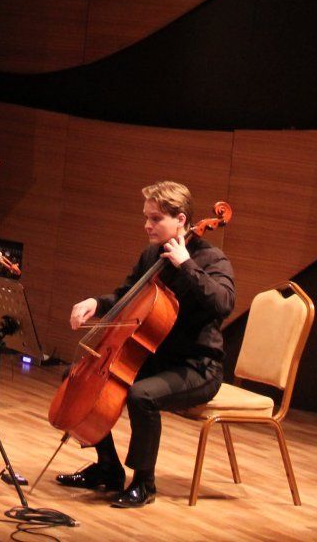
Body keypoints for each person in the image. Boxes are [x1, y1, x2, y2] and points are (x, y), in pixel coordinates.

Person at [54, 181, 235, 508]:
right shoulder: (152, 255)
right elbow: (126, 299)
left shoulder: (211, 259)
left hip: (197, 368)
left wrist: (186, 265)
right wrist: (96, 303)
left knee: (142, 396)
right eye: (146, 217)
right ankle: (108, 468)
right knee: (77, 373)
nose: (147, 225)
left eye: (155, 219)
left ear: (180, 219)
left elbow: (222, 304)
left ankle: (144, 483)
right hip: (154, 360)